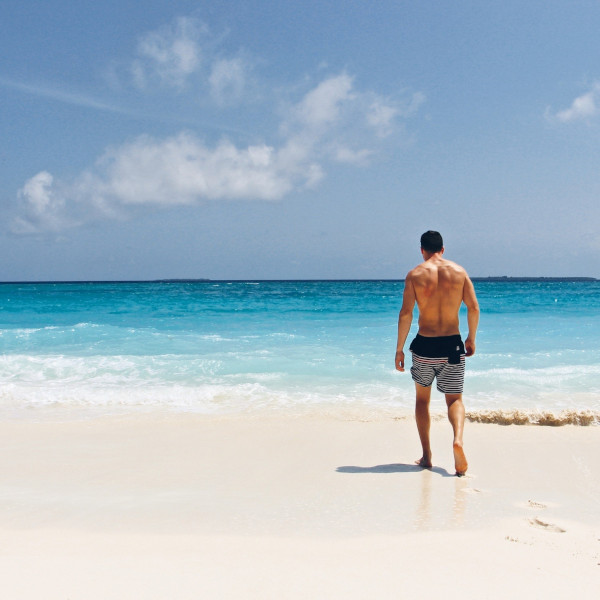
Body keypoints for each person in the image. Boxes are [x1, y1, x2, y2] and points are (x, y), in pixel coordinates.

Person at [395, 231, 479, 476]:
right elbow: (473, 307)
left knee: (422, 400)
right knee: (454, 400)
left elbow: (406, 314)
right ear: (443, 249)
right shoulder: (459, 272)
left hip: (425, 346)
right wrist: (471, 337)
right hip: (452, 345)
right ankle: (458, 440)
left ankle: (427, 455)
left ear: (422, 250)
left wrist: (399, 348)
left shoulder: (415, 275)